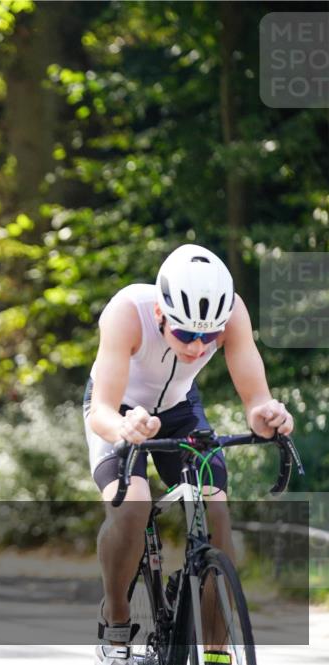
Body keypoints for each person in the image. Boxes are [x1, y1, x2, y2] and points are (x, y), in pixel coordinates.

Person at [84, 244, 294, 665]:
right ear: (160, 314)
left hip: (180, 409)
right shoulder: (127, 311)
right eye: (185, 334)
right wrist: (125, 428)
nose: (198, 348)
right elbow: (102, 409)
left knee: (216, 510)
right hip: (121, 411)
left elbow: (256, 400)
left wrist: (267, 416)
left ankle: (216, 652)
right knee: (132, 507)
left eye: (208, 336)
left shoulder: (232, 313)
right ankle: (117, 621)